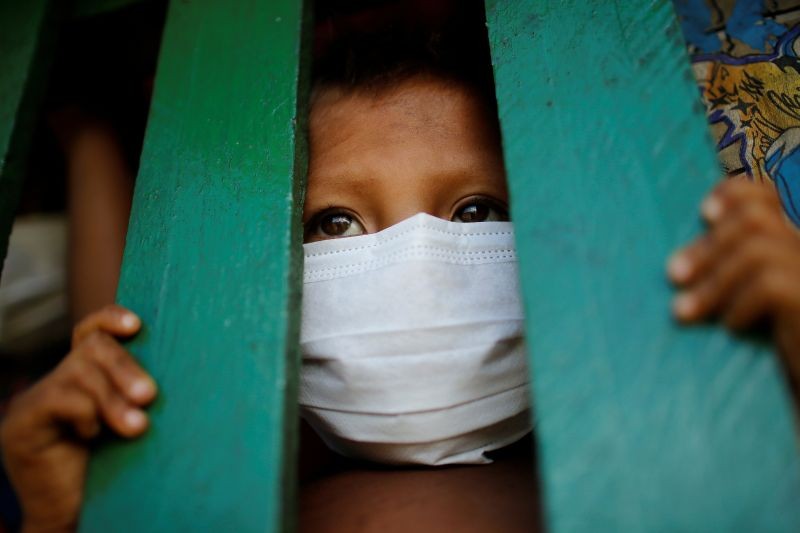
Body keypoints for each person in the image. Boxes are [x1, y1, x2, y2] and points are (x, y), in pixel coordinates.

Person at [3, 11, 800, 533]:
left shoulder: (693, 437)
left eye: (478, 211)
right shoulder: (216, 479)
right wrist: (64, 516)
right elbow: (140, 327)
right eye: (334, 223)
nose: (416, 269)